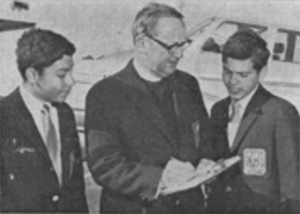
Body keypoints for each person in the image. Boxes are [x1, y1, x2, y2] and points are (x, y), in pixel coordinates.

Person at [85, 2, 221, 214]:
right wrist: (160, 179)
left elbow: (205, 140)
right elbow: (105, 166)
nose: (179, 54)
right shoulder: (106, 93)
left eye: (183, 44)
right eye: (171, 47)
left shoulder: (188, 84)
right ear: (142, 43)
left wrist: (206, 161)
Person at [208, 29, 300, 214]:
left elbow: (293, 188)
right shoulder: (217, 110)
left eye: (243, 75)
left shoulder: (280, 112)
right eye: (227, 72)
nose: (232, 81)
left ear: (262, 73)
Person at [0, 28, 88, 213]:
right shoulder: (4, 116)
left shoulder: (65, 115)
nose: (71, 81)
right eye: (62, 74)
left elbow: (76, 187)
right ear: (33, 75)